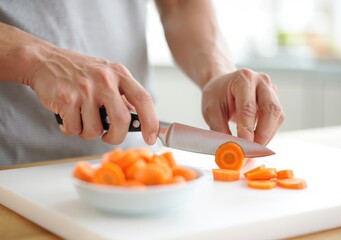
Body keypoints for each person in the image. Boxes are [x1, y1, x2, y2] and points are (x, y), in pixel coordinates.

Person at [0, 0, 284, 166]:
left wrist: (217, 72)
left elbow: (180, 4)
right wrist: (38, 59)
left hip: (130, 164)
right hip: (12, 168)